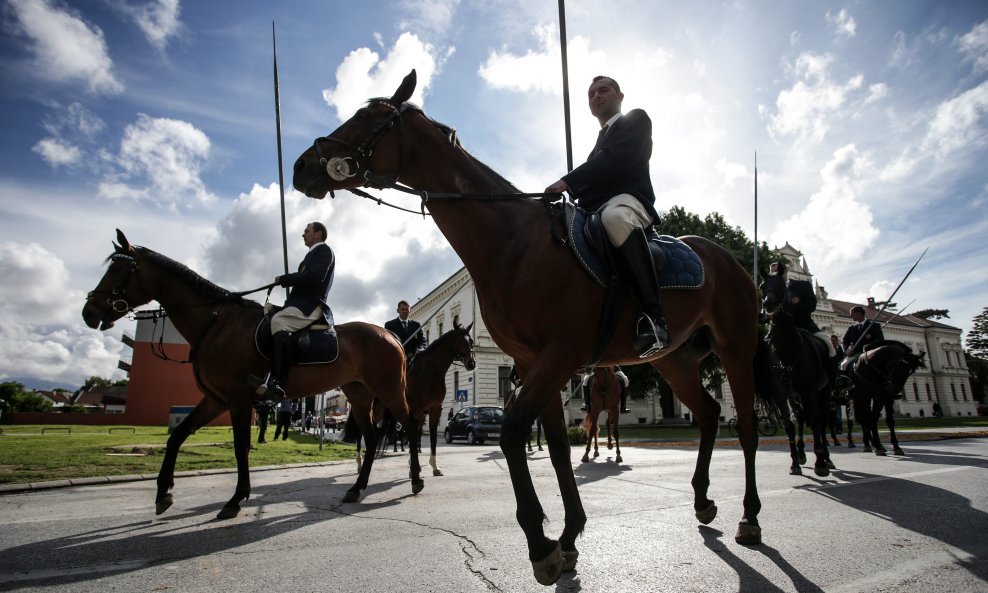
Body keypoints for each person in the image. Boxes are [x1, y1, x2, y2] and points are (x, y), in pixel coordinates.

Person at [545, 75, 669, 358]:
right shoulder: (596, 147)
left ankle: (654, 319)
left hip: (628, 202)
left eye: (604, 90)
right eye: (591, 94)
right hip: (593, 213)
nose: (596, 96)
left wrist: (568, 182)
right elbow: (592, 179)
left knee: (615, 218)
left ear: (620, 96)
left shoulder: (636, 120)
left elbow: (614, 161)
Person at [258, 222, 336, 399]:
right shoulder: (310, 255)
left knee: (279, 322)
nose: (303, 234)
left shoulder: (324, 251)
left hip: (311, 305)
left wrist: (284, 279)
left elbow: (315, 277)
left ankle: (279, 381)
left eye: (306, 231)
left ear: (318, 234)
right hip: (299, 304)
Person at [770, 261, 839, 390]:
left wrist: (790, 311)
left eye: (777, 271)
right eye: (773, 271)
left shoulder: (802, 285)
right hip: (780, 331)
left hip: (805, 326)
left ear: (785, 271)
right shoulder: (772, 290)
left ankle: (835, 383)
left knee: (829, 346)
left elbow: (811, 305)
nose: (775, 273)